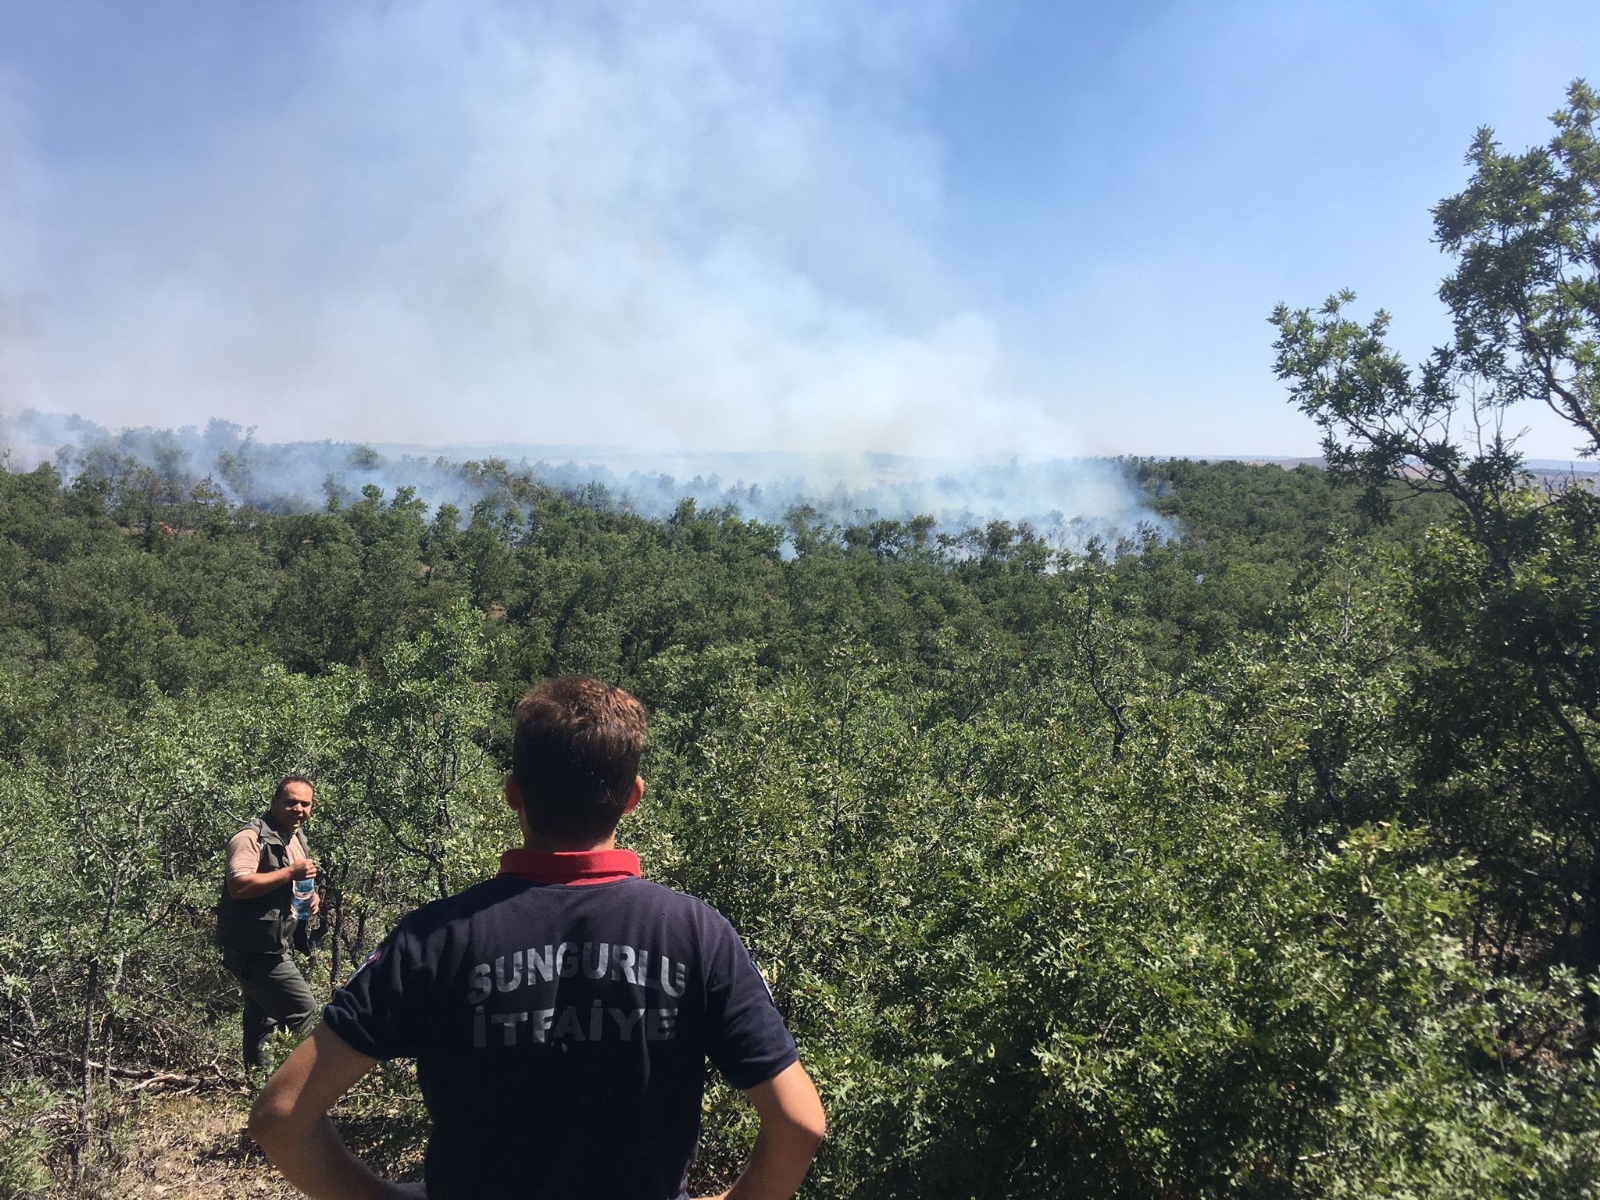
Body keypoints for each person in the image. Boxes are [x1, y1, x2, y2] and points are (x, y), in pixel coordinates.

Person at [249, 677, 825, 1200]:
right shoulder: (697, 933)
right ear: (633, 796)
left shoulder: (433, 937)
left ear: (514, 794)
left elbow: (281, 1118)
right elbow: (799, 1124)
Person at [218, 774, 322, 1069]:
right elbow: (239, 886)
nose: (298, 809)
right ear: (274, 802)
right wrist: (290, 874)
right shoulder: (250, 838)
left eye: (305, 804)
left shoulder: (295, 837)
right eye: (291, 802)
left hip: (275, 944)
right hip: (256, 950)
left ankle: (259, 1088)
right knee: (303, 1011)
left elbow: (293, 881)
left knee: (262, 1020)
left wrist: (311, 897)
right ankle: (303, 1087)